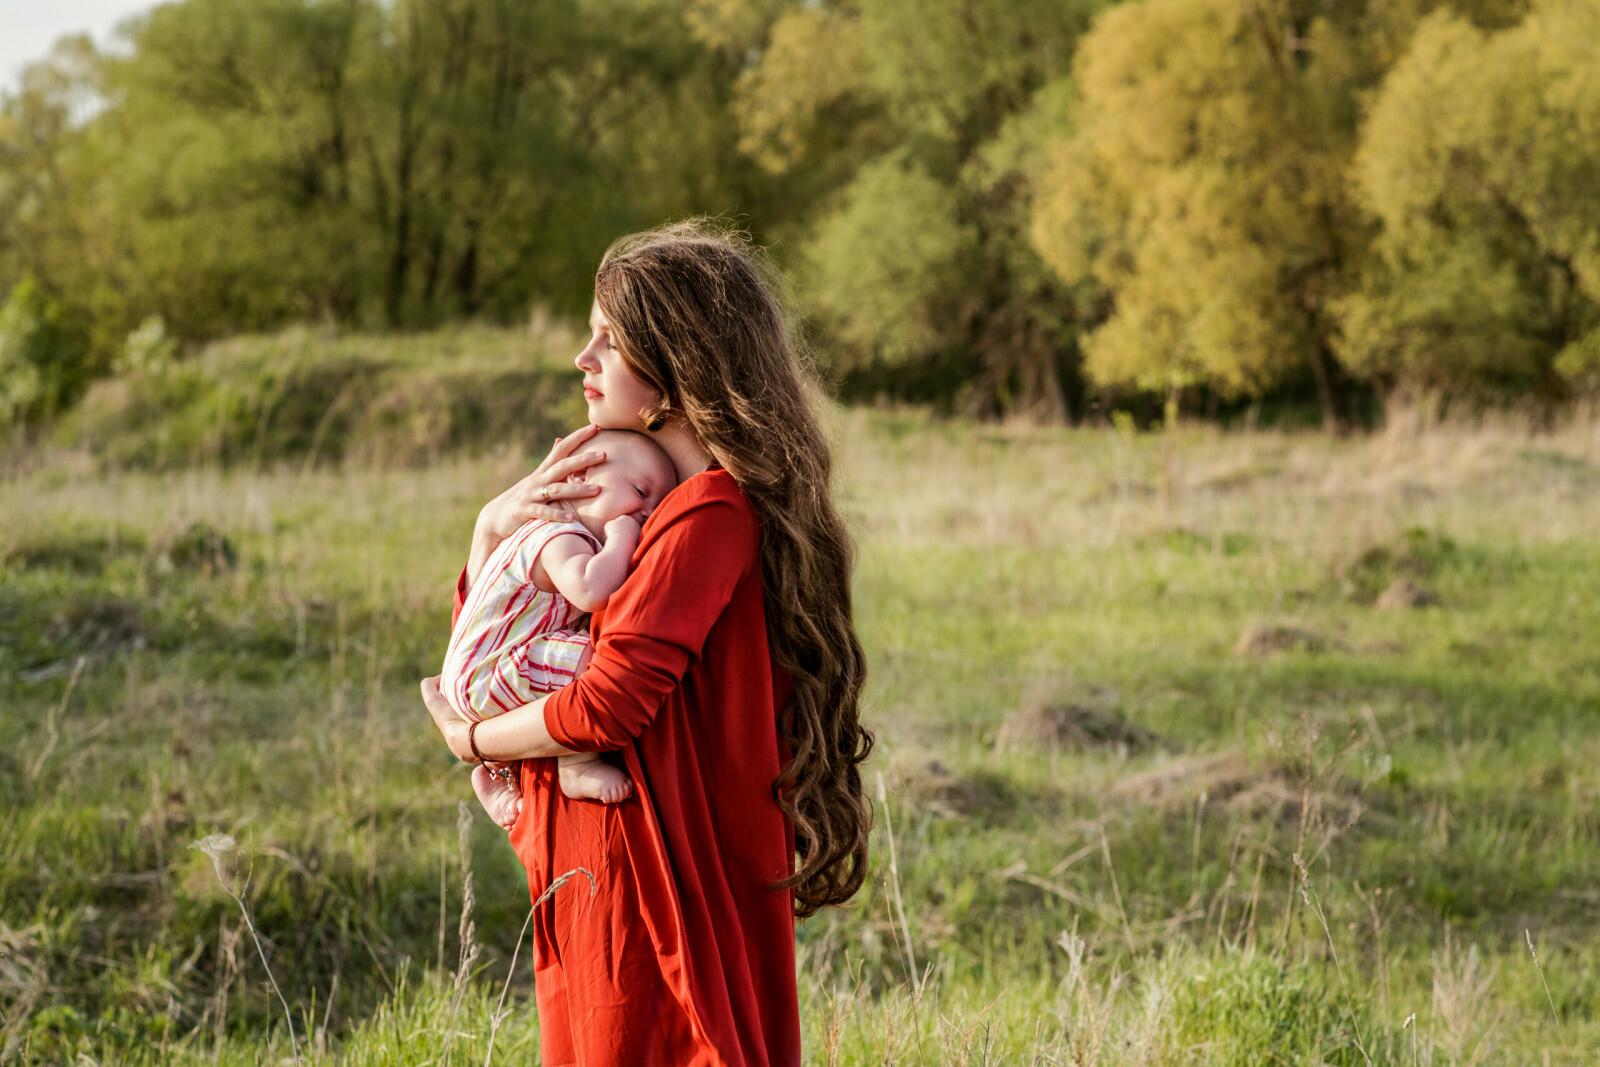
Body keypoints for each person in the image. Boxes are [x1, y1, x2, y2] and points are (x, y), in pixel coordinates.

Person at [421, 220, 873, 1067]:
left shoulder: (705, 512)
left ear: (674, 361)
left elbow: (605, 703)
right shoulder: (639, 511)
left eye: (608, 340)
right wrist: (490, 533)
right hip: (599, 864)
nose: (582, 361)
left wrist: (469, 740)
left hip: (647, 879)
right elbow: (493, 653)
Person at [439, 428, 677, 823]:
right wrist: (623, 537)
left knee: (556, 656)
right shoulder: (559, 534)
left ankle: (501, 776)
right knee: (587, 659)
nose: (648, 511)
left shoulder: (551, 533)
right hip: (483, 677)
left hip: (480, 673)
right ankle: (576, 765)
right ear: (581, 477)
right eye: (640, 490)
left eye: (656, 504)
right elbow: (590, 590)